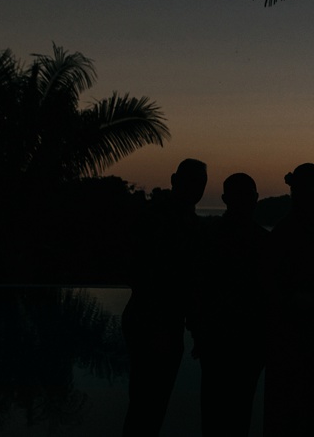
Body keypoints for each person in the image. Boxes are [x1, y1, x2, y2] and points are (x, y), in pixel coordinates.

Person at [122, 158, 207, 437]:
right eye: (192, 181)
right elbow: (147, 274)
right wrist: (158, 327)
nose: (197, 188)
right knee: (147, 404)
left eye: (201, 182)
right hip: (153, 323)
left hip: (165, 324)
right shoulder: (158, 217)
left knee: (151, 405)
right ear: (174, 180)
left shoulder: (186, 221)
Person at [262, 163, 314, 437]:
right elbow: (271, 282)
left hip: (307, 328)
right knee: (295, 403)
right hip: (290, 330)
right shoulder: (294, 230)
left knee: (302, 402)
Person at [192, 173, 267, 437]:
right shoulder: (261, 240)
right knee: (237, 412)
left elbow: (198, 289)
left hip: (227, 339)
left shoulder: (210, 236)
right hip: (235, 340)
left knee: (216, 412)